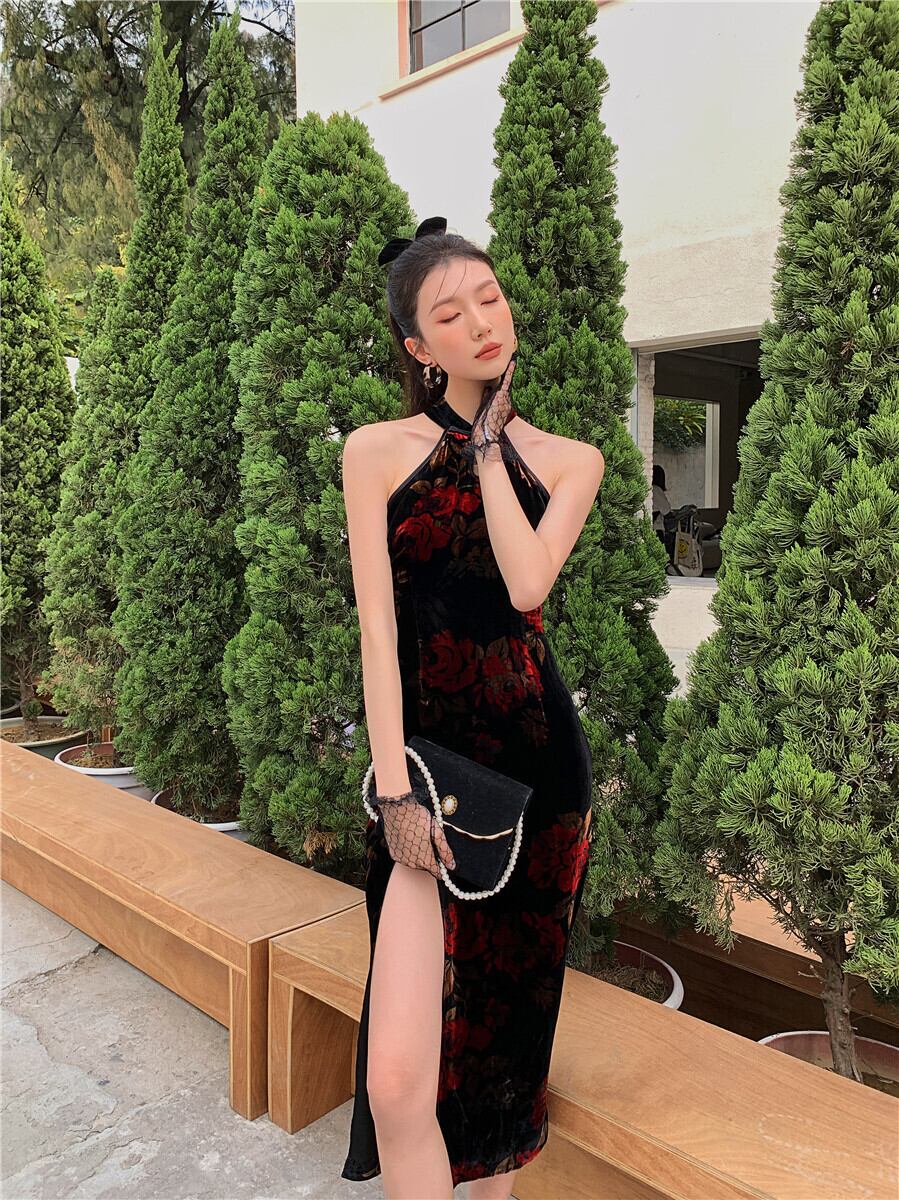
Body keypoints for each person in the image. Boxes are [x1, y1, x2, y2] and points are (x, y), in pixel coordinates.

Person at [340, 216, 604, 1199]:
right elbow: (376, 633)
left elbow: (527, 583)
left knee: (495, 1072)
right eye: (450, 315)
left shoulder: (568, 460)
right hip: (425, 778)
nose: (481, 323)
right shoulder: (375, 452)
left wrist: (489, 449)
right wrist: (391, 790)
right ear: (419, 346)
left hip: (538, 781)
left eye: (489, 299)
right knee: (399, 1084)